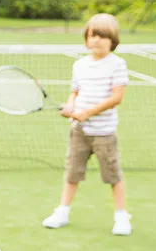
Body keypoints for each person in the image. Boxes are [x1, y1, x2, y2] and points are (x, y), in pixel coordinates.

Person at [42, 13, 132, 236]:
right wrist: (71, 107)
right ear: (86, 39)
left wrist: (87, 112)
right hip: (79, 131)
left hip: (104, 133)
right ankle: (62, 212)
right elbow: (75, 91)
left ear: (113, 40)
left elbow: (116, 98)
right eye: (92, 36)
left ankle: (121, 217)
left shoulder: (117, 65)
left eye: (102, 36)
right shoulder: (80, 65)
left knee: (113, 176)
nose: (96, 40)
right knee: (72, 173)